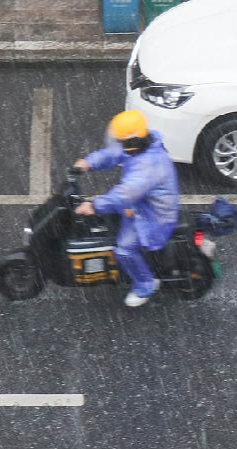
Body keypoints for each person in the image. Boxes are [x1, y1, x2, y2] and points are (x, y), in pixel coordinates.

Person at [73, 110, 180, 307]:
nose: (120, 146)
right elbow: (114, 153)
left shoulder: (149, 165)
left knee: (124, 249)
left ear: (132, 142)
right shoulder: (140, 144)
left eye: (122, 142)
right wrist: (88, 163)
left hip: (153, 215)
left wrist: (94, 206)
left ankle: (145, 284)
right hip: (141, 203)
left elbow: (124, 195)